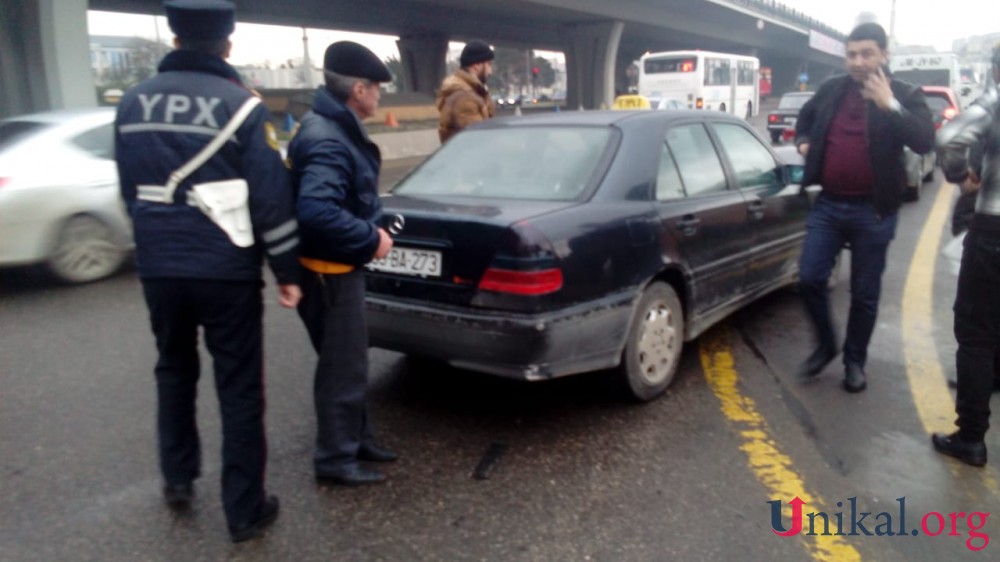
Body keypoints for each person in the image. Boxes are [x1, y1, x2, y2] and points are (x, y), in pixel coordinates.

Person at [114, 0, 301, 543]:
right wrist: (286, 270)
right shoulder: (242, 108)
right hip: (225, 270)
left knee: (173, 369)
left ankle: (177, 478)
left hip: (159, 266)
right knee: (238, 386)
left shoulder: (131, 103)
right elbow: (271, 199)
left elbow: (128, 188)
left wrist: (154, 240)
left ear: (174, 41)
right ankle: (244, 510)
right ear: (228, 44)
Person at [793, 22, 934, 393]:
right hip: (829, 205)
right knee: (808, 278)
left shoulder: (905, 92)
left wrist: (890, 105)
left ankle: (855, 361)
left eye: (867, 53)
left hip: (874, 211)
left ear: (884, 54)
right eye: (852, 54)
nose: (858, 61)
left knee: (865, 293)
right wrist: (804, 143)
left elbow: (924, 141)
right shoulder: (832, 90)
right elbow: (804, 120)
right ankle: (826, 343)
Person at [288, 41, 398, 486]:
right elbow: (315, 210)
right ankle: (335, 459)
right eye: (377, 89)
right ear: (358, 89)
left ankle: (359, 439)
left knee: (349, 363)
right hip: (328, 272)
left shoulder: (328, 125)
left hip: (328, 267)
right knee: (342, 368)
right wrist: (370, 237)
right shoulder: (329, 138)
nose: (379, 98)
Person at [931, 44, 1000, 467]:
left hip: (994, 228)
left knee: (974, 330)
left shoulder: (995, 101)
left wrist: (961, 175)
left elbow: (949, 137)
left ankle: (970, 437)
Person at [436, 39, 496, 143]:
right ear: (477, 65)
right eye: (489, 65)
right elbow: (480, 139)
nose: (491, 71)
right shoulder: (464, 99)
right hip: (468, 158)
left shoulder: (473, 93)